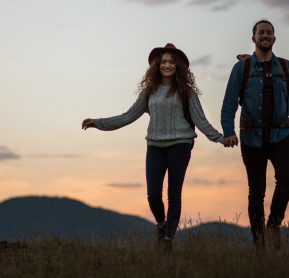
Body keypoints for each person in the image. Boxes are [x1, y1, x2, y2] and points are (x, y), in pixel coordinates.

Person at [82, 43, 225, 248]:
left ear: (179, 66)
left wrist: (220, 138)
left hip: (181, 145)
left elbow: (201, 121)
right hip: (155, 146)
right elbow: (128, 116)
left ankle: (167, 240)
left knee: (174, 194)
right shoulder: (149, 92)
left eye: (172, 62)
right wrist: (98, 123)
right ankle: (161, 224)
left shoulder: (188, 92)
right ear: (157, 66)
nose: (167, 65)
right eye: (164, 62)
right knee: (153, 195)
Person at [221, 20, 289, 250]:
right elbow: (230, 102)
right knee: (256, 192)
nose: (265, 35)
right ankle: (258, 244)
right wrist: (229, 131)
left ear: (274, 38)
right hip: (251, 138)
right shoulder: (242, 68)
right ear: (253, 38)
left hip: (280, 136)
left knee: (286, 182)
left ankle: (273, 226)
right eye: (261, 32)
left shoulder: (285, 67)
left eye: (269, 32)